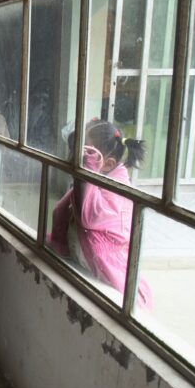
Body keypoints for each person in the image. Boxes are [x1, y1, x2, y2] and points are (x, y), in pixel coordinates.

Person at [47, 120, 153, 309]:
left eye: (88, 154)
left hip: (112, 272)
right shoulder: (96, 181)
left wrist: (87, 167)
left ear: (108, 164)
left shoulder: (118, 192)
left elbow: (87, 216)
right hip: (87, 264)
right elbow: (61, 211)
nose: (79, 159)